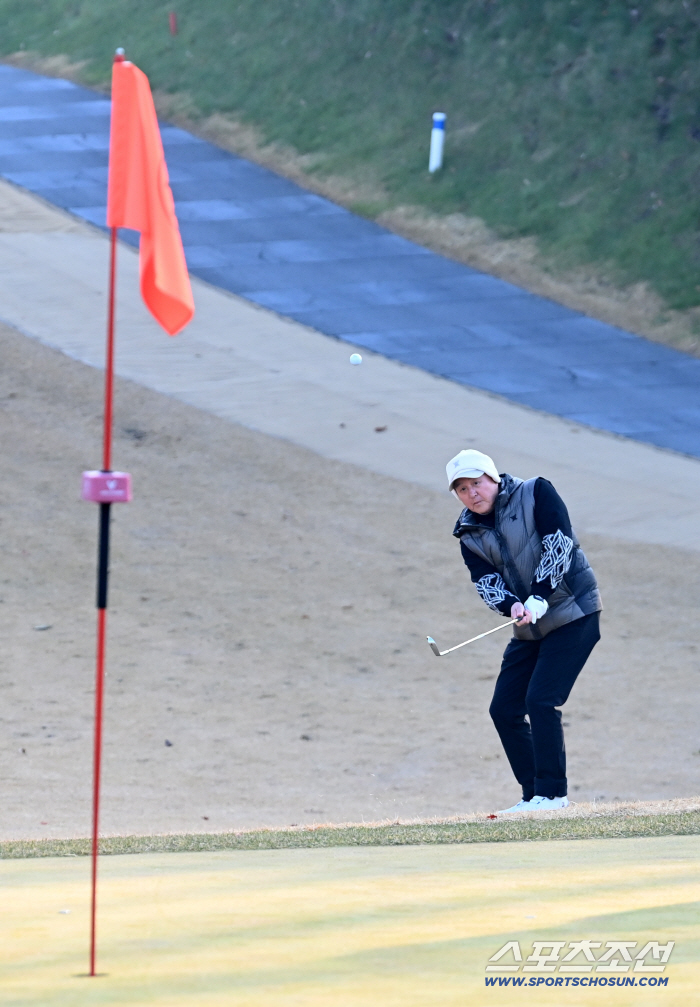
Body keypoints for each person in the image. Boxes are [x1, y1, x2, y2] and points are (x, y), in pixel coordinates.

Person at [446, 449, 602, 813]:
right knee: (504, 709)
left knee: (541, 700)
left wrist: (540, 594)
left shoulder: (536, 492)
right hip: (530, 626)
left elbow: (558, 543)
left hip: (574, 611)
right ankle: (533, 794)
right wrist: (511, 605)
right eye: (462, 488)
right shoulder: (468, 532)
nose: (472, 493)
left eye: (477, 483)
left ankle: (553, 794)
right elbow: (484, 579)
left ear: (493, 478)